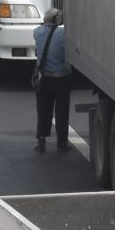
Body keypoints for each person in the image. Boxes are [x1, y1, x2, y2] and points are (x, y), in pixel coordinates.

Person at [33, 9, 71, 153]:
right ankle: (61, 143)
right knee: (62, 111)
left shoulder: (36, 32)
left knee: (43, 109)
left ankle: (41, 141)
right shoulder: (63, 34)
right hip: (61, 78)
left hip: (45, 78)